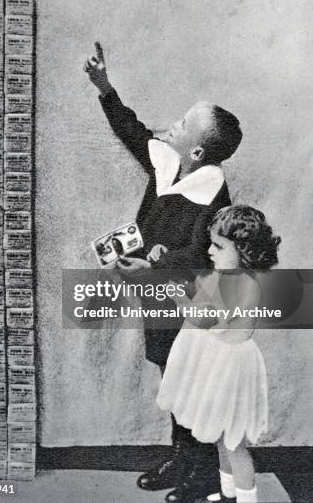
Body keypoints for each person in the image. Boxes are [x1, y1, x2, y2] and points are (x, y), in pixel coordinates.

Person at [84, 43, 243, 500]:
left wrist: (155, 260)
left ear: (196, 149)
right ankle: (182, 456)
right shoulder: (169, 161)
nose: (169, 125)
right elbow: (133, 131)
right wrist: (105, 88)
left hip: (191, 301)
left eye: (180, 124)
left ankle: (203, 472)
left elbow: (201, 255)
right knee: (170, 376)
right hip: (156, 295)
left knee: (191, 381)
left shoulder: (214, 193)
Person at [157, 205, 281, 503]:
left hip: (229, 365)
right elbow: (203, 303)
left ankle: (245, 499)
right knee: (222, 435)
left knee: (233, 440)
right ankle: (228, 494)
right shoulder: (226, 276)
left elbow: (202, 317)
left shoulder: (237, 282)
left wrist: (177, 298)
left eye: (218, 246)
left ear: (244, 250)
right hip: (218, 360)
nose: (210, 251)